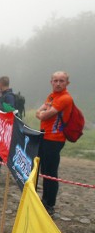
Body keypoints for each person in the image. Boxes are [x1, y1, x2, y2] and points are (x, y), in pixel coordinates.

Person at [35, 71, 73, 217]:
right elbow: (39, 112)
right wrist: (41, 113)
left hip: (55, 139)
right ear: (51, 82)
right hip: (45, 136)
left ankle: (50, 204)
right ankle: (44, 200)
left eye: (61, 81)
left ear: (67, 83)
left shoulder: (64, 98)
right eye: (55, 80)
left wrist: (42, 113)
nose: (58, 83)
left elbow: (44, 114)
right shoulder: (52, 96)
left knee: (51, 172)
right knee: (44, 171)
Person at [0, 76, 17, 175]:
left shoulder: (9, 96)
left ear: (0, 84)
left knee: (3, 147)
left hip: (8, 126)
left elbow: (11, 109)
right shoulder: (5, 95)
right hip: (3, 125)